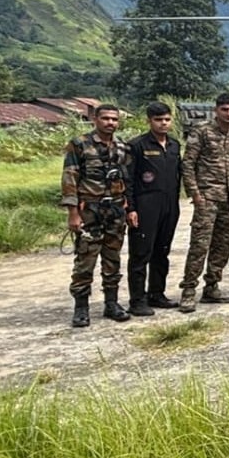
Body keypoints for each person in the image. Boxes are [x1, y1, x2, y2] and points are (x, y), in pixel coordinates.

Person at [61, 103, 132, 327]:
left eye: (114, 119)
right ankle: (81, 307)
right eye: (106, 118)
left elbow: (126, 179)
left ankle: (111, 303)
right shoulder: (80, 144)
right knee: (85, 260)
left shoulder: (122, 147)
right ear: (95, 119)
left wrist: (128, 208)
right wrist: (73, 213)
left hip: (115, 210)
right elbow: (70, 178)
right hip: (90, 210)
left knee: (113, 259)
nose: (110, 123)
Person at [179, 93, 229, 312]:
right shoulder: (202, 131)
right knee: (199, 245)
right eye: (224, 109)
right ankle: (188, 291)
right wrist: (195, 194)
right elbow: (188, 164)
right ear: (216, 110)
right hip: (207, 197)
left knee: (222, 245)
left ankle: (212, 287)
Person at [125, 101, 182, 316]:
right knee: (141, 253)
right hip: (145, 205)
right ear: (148, 121)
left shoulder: (174, 145)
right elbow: (128, 180)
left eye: (167, 119)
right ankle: (137, 300)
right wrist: (130, 208)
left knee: (162, 251)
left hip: (169, 205)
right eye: (158, 120)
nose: (163, 124)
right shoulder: (137, 145)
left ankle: (156, 293)